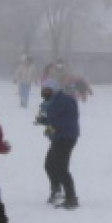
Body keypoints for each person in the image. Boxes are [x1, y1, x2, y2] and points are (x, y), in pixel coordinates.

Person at [35, 80, 80, 209]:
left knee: (61, 168)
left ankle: (71, 197)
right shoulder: (56, 101)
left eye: (47, 90)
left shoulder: (61, 101)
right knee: (49, 165)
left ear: (54, 90)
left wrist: (46, 123)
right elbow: (54, 120)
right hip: (60, 137)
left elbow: (60, 120)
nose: (45, 93)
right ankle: (57, 190)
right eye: (44, 90)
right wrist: (45, 122)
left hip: (65, 138)